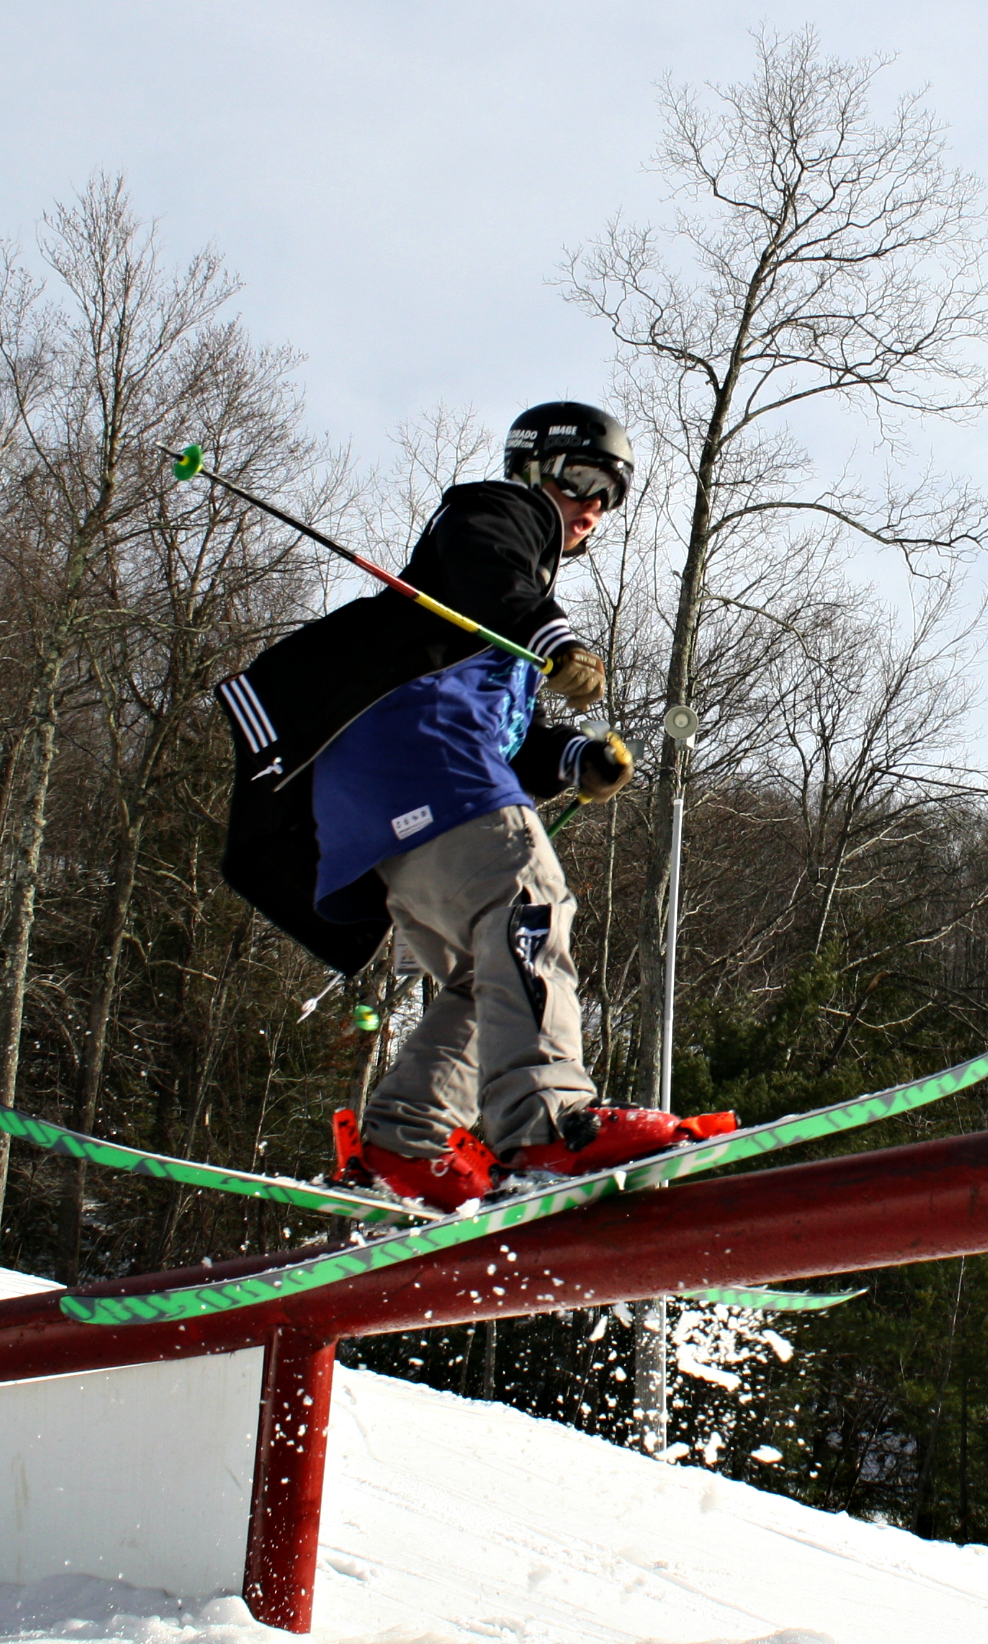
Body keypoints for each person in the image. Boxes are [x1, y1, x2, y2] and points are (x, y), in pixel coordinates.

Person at [213, 401, 731, 1211]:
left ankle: (403, 1141)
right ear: (533, 467)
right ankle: (550, 1123)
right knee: (528, 900)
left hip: (374, 806)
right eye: (581, 479)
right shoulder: (501, 513)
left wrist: (572, 756)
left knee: (480, 972)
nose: (592, 505)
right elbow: (489, 556)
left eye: (611, 495)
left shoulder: (489, 623)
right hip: (420, 761)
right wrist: (555, 638)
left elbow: (500, 732)